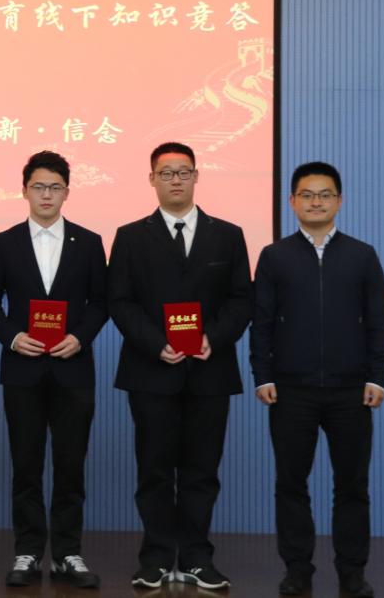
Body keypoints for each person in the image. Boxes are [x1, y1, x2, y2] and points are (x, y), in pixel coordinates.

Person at [108, 141, 251, 591]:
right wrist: (156, 344)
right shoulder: (130, 236)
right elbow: (120, 301)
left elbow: (241, 300)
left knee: (201, 471)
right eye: (166, 172)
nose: (175, 179)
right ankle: (154, 558)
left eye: (183, 171)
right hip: (151, 370)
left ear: (196, 176)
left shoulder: (227, 234)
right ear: (151, 179)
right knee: (153, 470)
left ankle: (195, 557)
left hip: (210, 369)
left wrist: (213, 338)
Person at [251, 162, 384, 598]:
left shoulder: (362, 255)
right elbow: (261, 323)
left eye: (325, 194)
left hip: (352, 391)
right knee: (291, 485)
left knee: (352, 486)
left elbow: (378, 322)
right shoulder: (274, 256)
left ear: (339, 201)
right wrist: (262, 375)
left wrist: (378, 377)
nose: (316, 202)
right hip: (291, 390)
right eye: (307, 195)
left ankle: (352, 572)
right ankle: (298, 570)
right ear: (292, 201)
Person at [0, 150, 107, 589]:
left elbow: (101, 302)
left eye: (55, 187)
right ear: (24, 191)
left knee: (71, 465)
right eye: (39, 187)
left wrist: (81, 337)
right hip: (24, 368)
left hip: (73, 368)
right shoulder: (3, 243)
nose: (46, 195)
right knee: (26, 464)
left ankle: (69, 552)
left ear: (67, 192)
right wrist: (13, 337)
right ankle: (28, 551)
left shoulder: (89, 242)